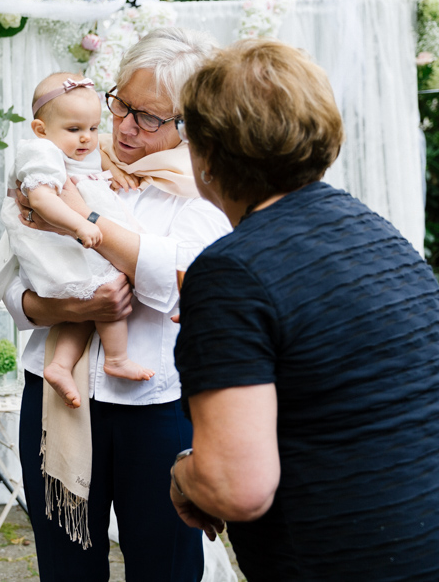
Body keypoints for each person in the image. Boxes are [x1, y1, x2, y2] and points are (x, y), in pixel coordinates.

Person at [171, 39, 439, 580]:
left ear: (206, 156)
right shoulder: (378, 233)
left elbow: (236, 488)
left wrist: (184, 476)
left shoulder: (231, 271)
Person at [7, 27, 230, 580]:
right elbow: (16, 288)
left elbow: (186, 283)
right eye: (122, 105)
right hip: (58, 397)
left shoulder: (204, 188)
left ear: (188, 124)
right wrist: (72, 311)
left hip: (157, 408)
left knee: (165, 567)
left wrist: (90, 223)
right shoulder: (67, 159)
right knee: (65, 568)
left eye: (149, 117)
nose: (125, 126)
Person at [0, 72, 153, 411]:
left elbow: (94, 155)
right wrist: (81, 224)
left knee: (88, 302)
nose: (87, 139)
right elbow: (41, 200)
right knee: (107, 284)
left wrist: (109, 161)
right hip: (59, 238)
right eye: (75, 129)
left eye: (93, 128)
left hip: (72, 235)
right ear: (40, 129)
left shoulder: (71, 148)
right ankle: (117, 357)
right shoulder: (39, 152)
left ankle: (61, 365)